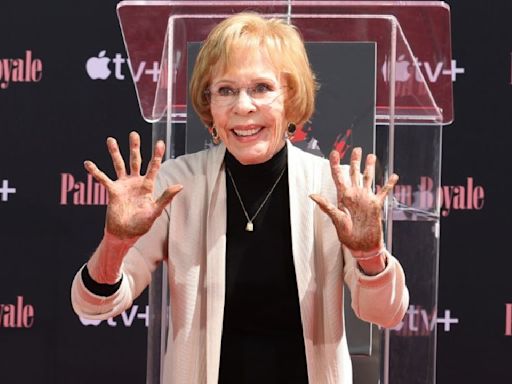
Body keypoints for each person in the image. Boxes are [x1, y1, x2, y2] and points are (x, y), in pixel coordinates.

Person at [71, 12, 408, 384]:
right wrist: (116, 244)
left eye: (262, 88)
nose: (243, 106)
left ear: (291, 99)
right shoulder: (178, 185)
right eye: (226, 90)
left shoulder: (333, 186)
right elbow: (94, 304)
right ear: (210, 107)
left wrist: (369, 256)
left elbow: (387, 314)